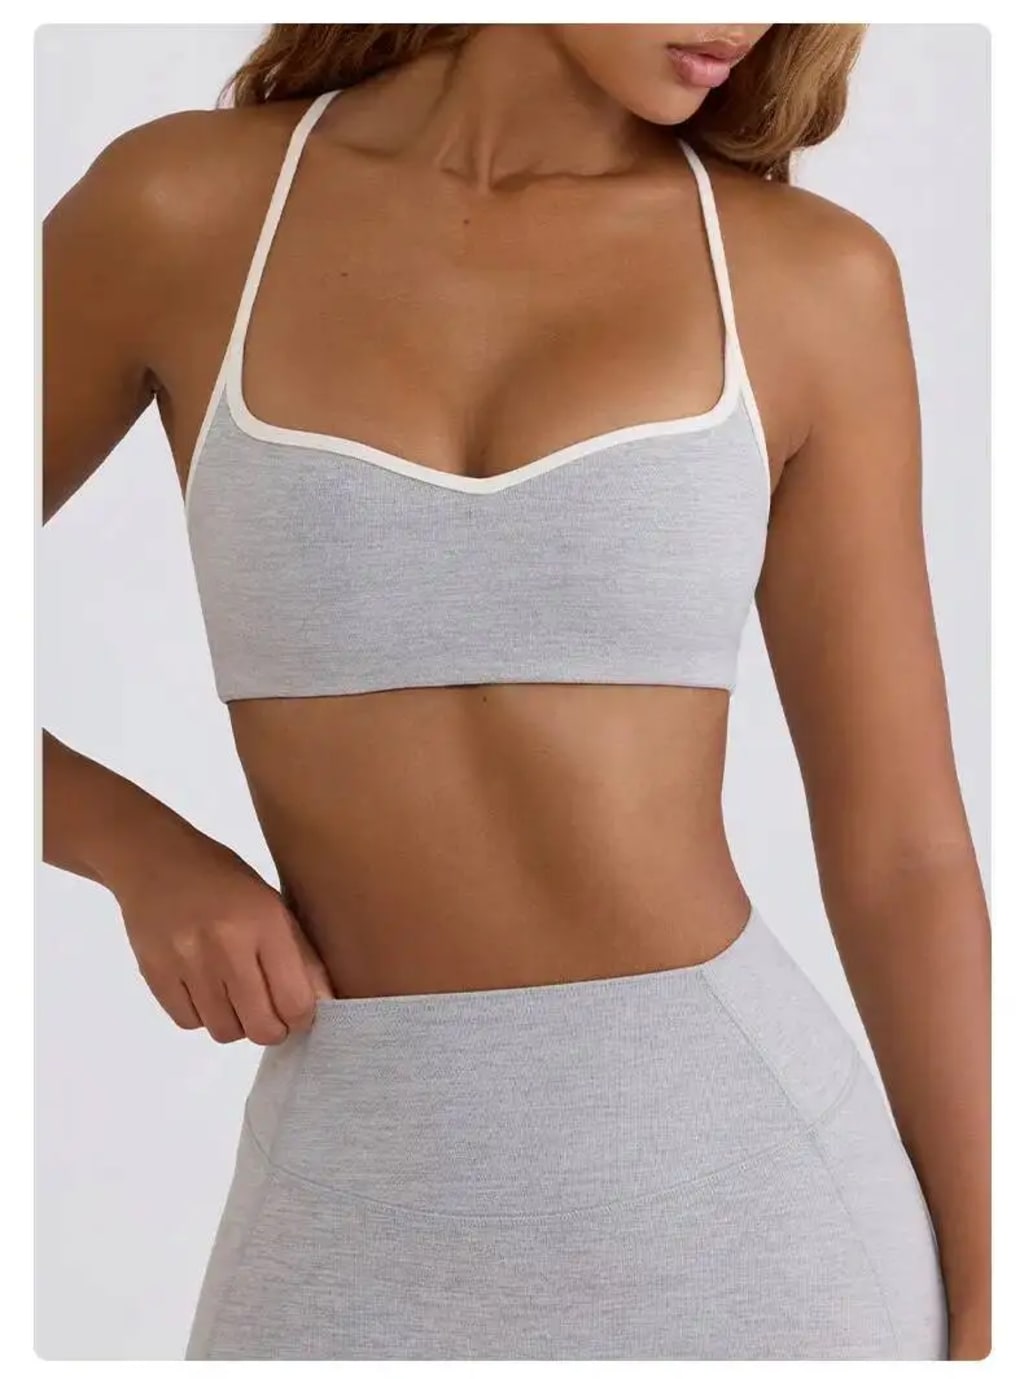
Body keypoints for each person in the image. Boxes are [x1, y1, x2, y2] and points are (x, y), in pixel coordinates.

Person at [41, 22, 990, 1361]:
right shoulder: (181, 210)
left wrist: (993, 1304)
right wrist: (139, 852)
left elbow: (904, 850)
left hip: (757, 1208)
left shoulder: (808, 279)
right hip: (351, 1196)